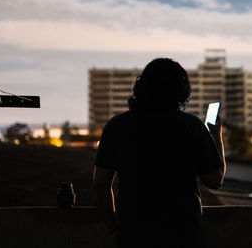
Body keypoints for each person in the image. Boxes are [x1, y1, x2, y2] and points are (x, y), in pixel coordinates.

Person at [93, 58, 226, 247]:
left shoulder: (117, 126)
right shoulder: (192, 126)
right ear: (181, 91)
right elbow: (215, 180)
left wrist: (114, 230)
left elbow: (100, 184)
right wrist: (216, 136)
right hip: (183, 234)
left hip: (134, 234)